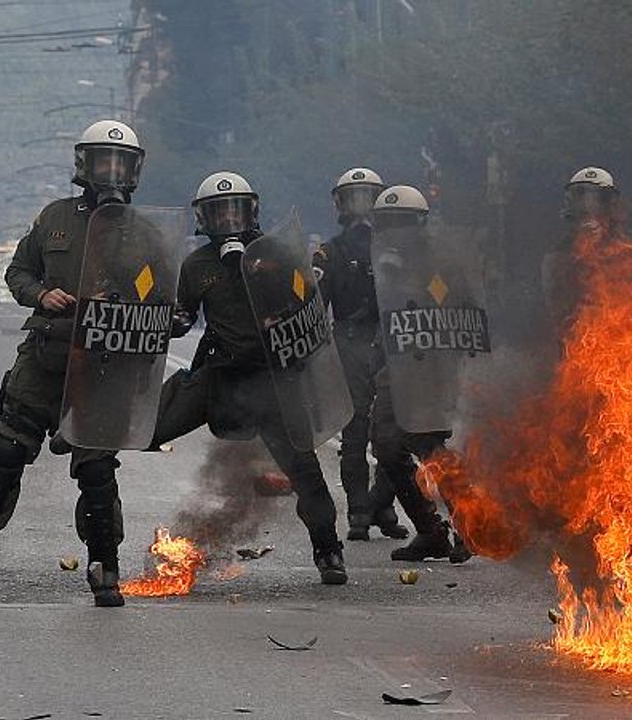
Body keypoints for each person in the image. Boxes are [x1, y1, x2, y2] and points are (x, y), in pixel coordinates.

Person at [0, 119, 146, 607]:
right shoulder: (54, 218)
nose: (111, 171)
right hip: (44, 360)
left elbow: (157, 296)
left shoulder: (143, 234)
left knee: (96, 475)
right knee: (4, 461)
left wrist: (158, 313)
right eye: (102, 161)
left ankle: (104, 571)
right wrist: (40, 293)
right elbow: (18, 270)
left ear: (133, 170)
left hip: (101, 369)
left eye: (120, 162)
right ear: (84, 166)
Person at [149, 171, 348, 585]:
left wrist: (286, 301)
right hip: (220, 374)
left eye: (234, 210)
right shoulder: (197, 264)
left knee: (304, 469)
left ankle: (329, 551)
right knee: (149, 424)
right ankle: (90, 434)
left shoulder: (276, 253)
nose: (227, 220)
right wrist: (161, 317)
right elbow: (185, 318)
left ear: (251, 211)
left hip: (271, 378)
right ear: (204, 219)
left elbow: (306, 304)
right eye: (218, 212)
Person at [366, 185, 472, 563]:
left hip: (429, 371)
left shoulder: (440, 264)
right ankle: (430, 532)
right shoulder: (374, 262)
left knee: (430, 449)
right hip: (392, 372)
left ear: (420, 225)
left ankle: (469, 526)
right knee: (387, 446)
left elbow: (460, 308)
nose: (395, 231)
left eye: (403, 223)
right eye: (388, 223)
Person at [312, 168, 409, 542]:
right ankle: (357, 509)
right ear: (339, 204)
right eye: (353, 198)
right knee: (354, 428)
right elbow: (316, 304)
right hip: (349, 344)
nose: (360, 208)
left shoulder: (398, 250)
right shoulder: (330, 252)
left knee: (391, 429)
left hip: (389, 344)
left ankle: (383, 504)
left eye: (367, 197)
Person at [541, 166, 623, 328]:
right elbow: (555, 311)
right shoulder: (557, 257)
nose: (590, 215)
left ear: (610, 208)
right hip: (579, 342)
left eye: (598, 203)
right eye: (583, 208)